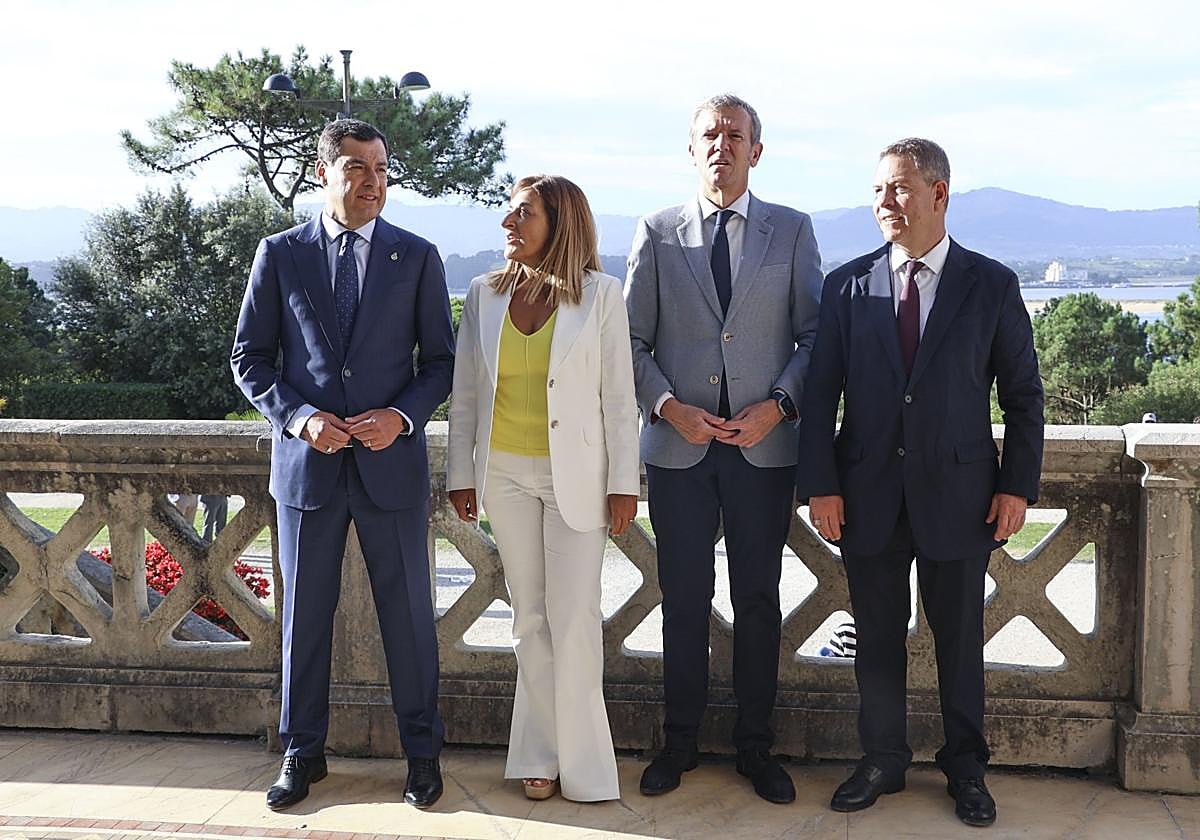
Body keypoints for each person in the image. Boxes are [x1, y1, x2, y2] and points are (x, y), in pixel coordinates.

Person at [796, 138, 1044, 828]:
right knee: (875, 638)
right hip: (866, 495)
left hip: (963, 498)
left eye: (899, 189)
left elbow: (1024, 395)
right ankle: (882, 760)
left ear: (939, 193)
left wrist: (1017, 486)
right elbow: (821, 398)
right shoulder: (846, 285)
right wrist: (821, 484)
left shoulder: (990, 284)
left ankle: (967, 768)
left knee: (959, 641)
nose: (884, 202)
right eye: (878, 190)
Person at [230, 119, 455, 811]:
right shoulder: (280, 253)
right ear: (322, 171)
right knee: (304, 620)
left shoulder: (417, 257)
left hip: (392, 471)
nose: (373, 182)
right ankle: (302, 754)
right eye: (357, 168)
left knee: (410, 618)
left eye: (382, 169)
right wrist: (300, 419)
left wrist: (402, 417)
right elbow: (250, 359)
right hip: (309, 473)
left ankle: (422, 756)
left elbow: (441, 364)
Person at [625, 94, 823, 804]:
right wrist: (668, 407)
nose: (722, 144)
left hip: (762, 452)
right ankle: (677, 743)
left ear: (756, 151)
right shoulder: (656, 230)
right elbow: (632, 342)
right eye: (710, 133)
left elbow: (814, 336)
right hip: (678, 452)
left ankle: (755, 749)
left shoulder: (793, 232)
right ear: (692, 148)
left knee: (759, 601)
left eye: (735, 134)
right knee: (682, 600)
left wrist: (780, 407)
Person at [447, 175, 640, 802]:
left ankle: (586, 766)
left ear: (559, 224)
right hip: (504, 473)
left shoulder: (602, 295)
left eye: (522, 214)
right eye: (508, 213)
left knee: (575, 618)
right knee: (528, 619)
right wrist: (461, 473)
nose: (508, 224)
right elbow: (467, 394)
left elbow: (619, 400)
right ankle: (537, 755)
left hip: (576, 479)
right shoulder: (483, 293)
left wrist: (623, 484)